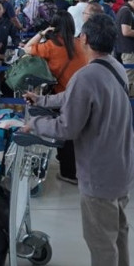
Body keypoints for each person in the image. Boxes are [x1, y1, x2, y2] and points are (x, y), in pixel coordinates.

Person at [23, 14, 134, 266]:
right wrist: (43, 100)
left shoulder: (86, 76)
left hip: (100, 173)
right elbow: (71, 97)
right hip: (124, 164)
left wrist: (34, 123)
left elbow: (67, 128)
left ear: (85, 39)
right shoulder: (114, 66)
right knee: (119, 228)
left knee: (101, 242)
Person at [23, 9, 92, 185]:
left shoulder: (50, 46)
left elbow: (27, 48)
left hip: (63, 96)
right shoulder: (81, 43)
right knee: (80, 134)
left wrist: (41, 33)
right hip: (85, 93)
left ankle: (69, 173)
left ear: (53, 26)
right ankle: (79, 168)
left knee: (65, 133)